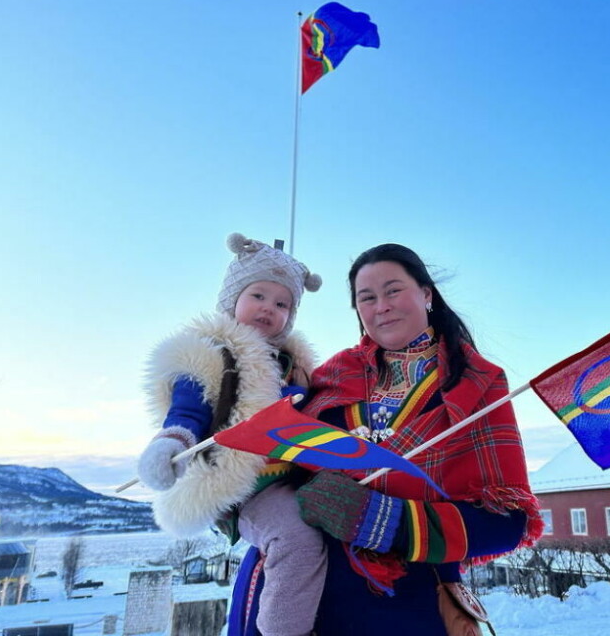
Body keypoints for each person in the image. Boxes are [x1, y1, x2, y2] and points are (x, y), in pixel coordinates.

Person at [229, 243, 543, 636]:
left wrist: (385, 522)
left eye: (394, 290)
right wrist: (221, 491)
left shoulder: (476, 384)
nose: (382, 306)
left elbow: (508, 523)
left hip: (407, 610)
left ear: (426, 294)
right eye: (367, 297)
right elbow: (267, 463)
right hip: (288, 602)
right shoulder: (329, 376)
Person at [137, 233, 326, 636]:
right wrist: (173, 443)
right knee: (296, 539)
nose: (268, 309)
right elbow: (189, 408)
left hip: (298, 474)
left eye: (281, 304)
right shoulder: (212, 355)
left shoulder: (297, 366)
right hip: (246, 484)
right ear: (232, 299)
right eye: (258, 295)